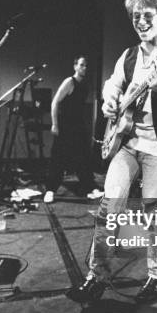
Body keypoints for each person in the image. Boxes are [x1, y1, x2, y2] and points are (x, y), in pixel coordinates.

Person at [69, 0, 157, 304]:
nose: (140, 21)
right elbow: (112, 85)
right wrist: (110, 101)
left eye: (147, 15)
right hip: (126, 143)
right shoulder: (129, 55)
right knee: (110, 207)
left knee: (154, 213)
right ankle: (96, 276)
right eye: (135, 16)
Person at [43, 56, 103, 203]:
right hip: (65, 125)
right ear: (75, 66)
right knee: (58, 158)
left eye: (86, 65)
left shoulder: (85, 84)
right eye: (81, 65)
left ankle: (90, 187)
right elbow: (55, 102)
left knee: (83, 157)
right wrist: (54, 124)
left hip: (78, 125)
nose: (84, 68)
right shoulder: (69, 82)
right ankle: (50, 190)